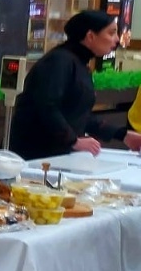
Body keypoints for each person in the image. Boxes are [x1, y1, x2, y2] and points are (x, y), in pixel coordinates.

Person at [11, 10, 141, 159]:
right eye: (111, 33)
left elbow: (79, 114)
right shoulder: (59, 61)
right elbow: (46, 106)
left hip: (59, 154)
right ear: (90, 36)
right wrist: (73, 141)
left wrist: (122, 135)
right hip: (38, 155)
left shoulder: (79, 63)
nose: (117, 39)